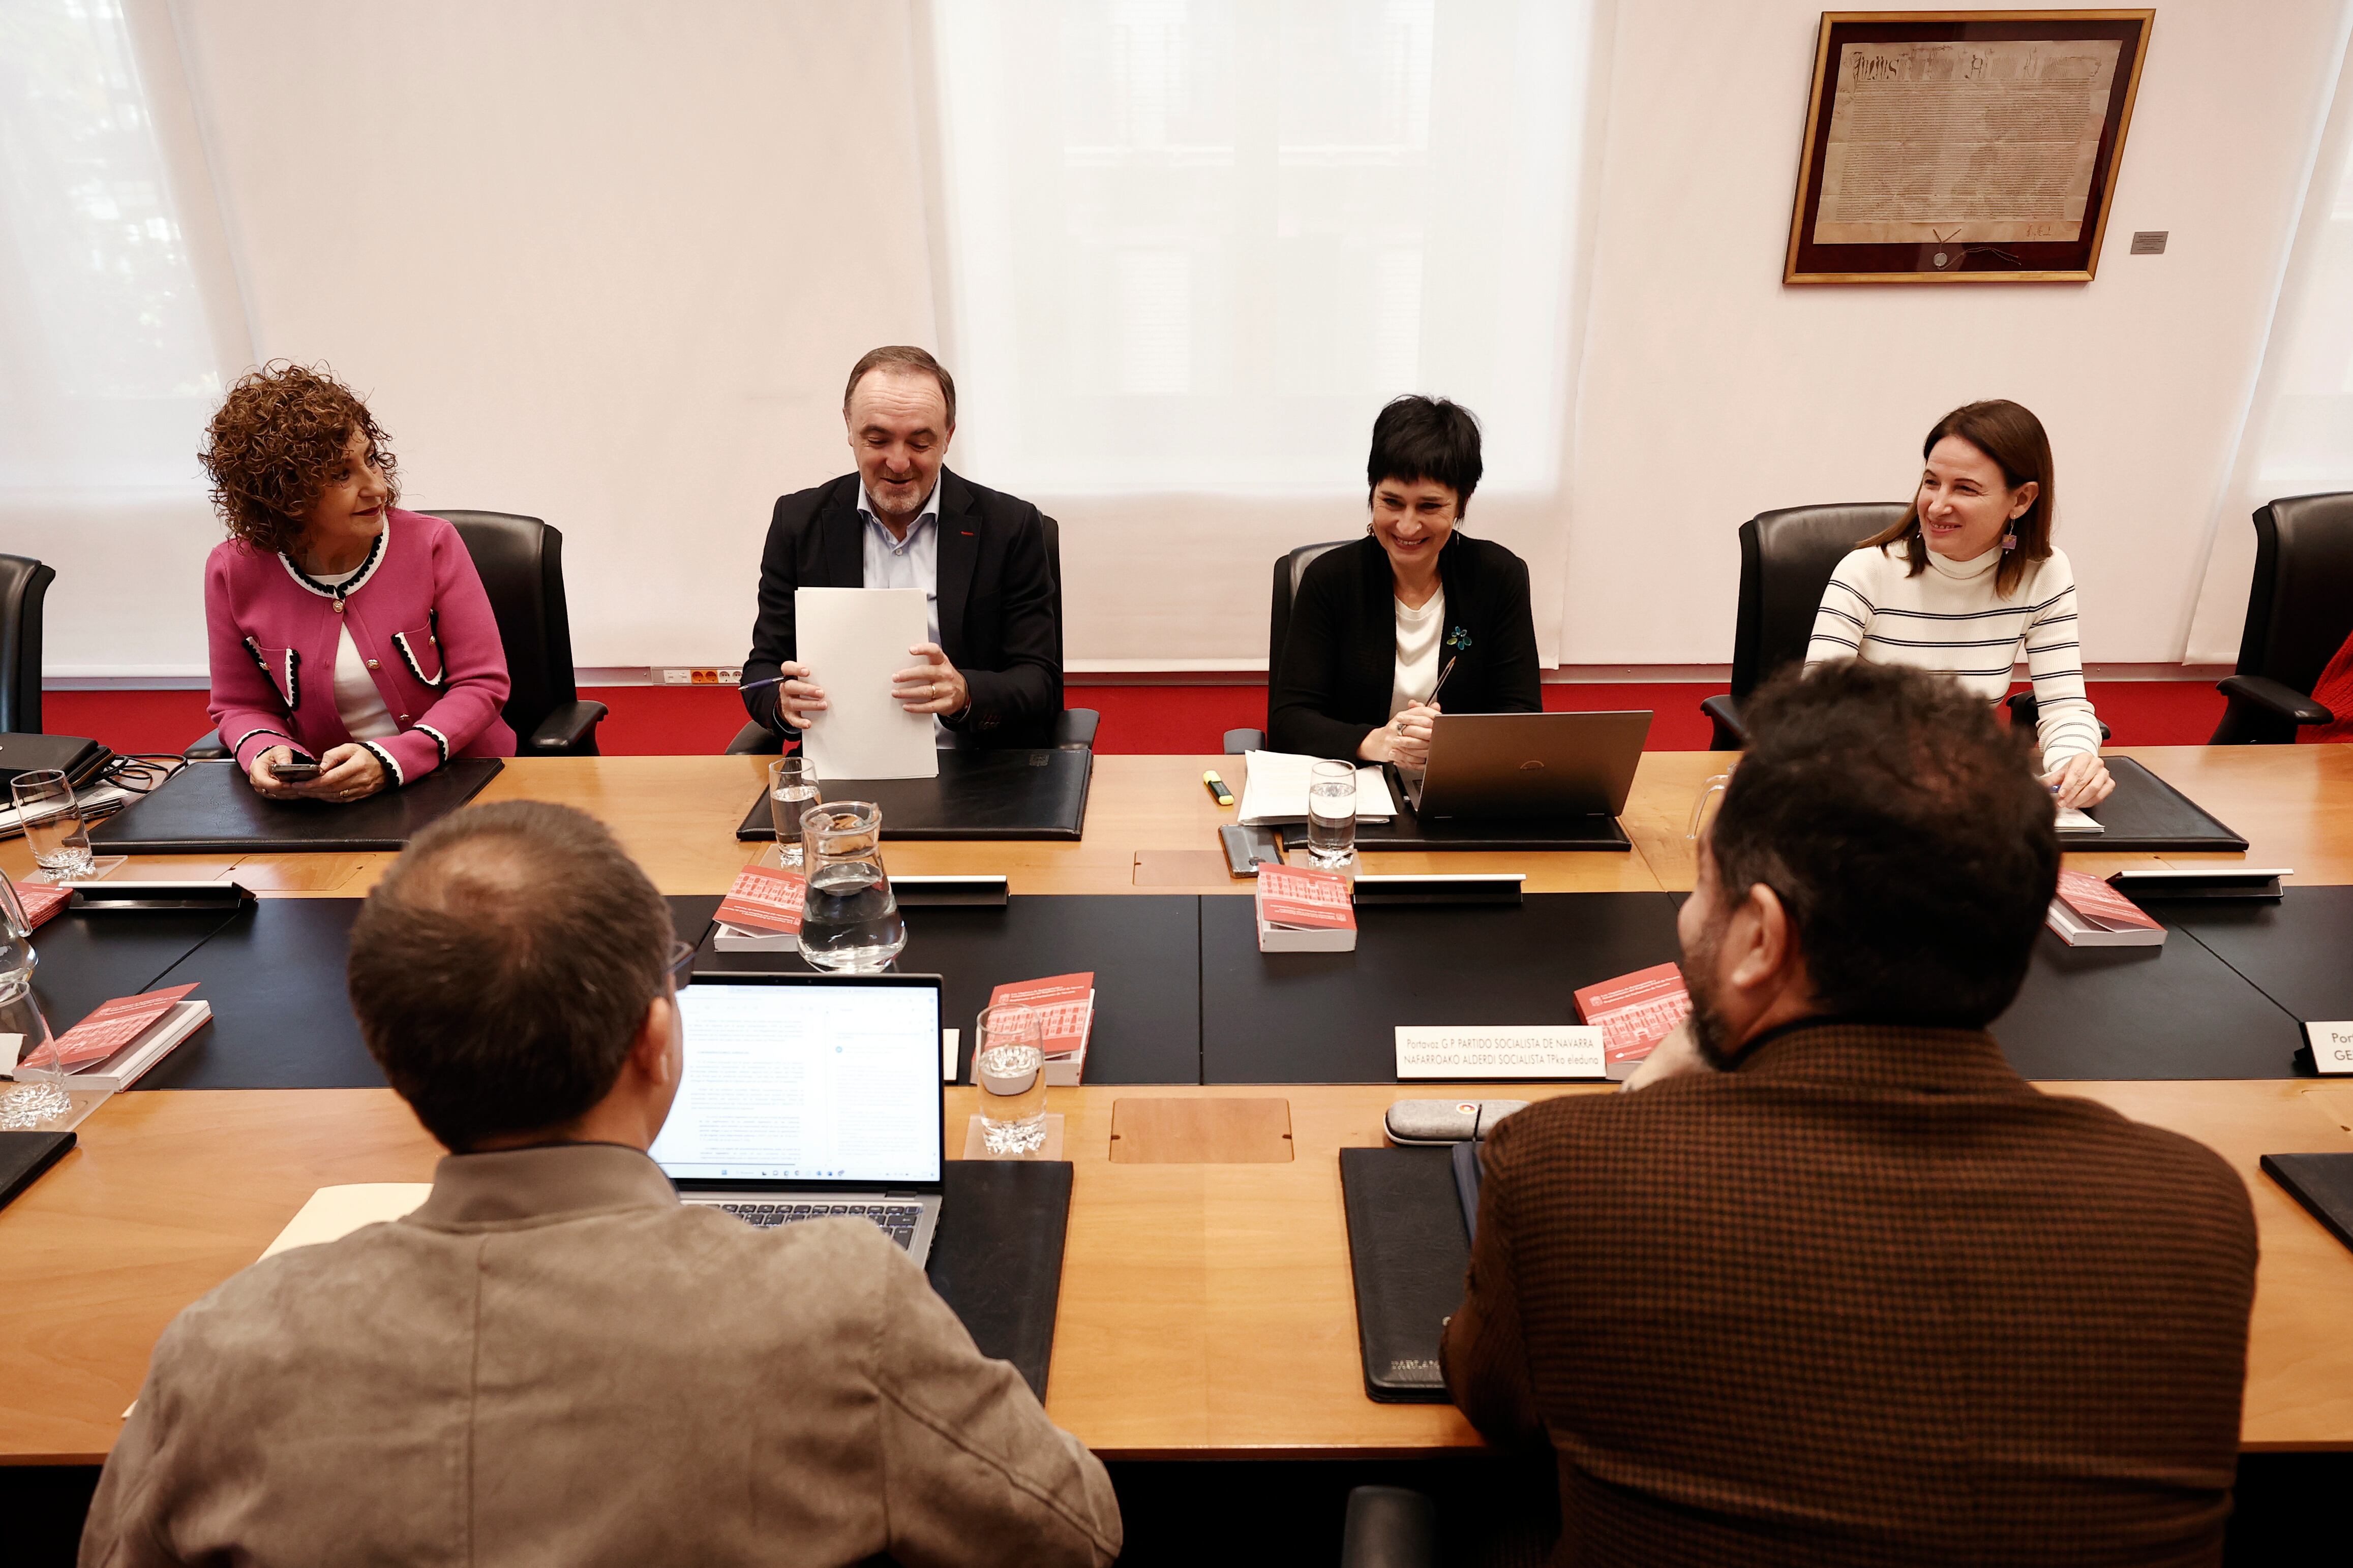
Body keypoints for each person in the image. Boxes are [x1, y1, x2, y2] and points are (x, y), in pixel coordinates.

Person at [78, 801, 1122, 1568]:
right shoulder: (842, 1309)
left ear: (391, 1060)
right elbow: (1074, 1529)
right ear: (656, 1042)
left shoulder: (216, 1357)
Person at [1442, 660, 2257, 1565]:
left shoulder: (1565, 1170)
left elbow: (1491, 1402)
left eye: (1699, 886)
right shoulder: (2195, 1207)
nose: (1683, 918)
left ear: (1758, 938)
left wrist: (1641, 1107)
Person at [198, 361, 513, 803]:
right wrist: (265, 749)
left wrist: (393, 760)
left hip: (466, 780)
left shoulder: (432, 543)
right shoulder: (233, 571)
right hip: (329, 804)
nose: (376, 487)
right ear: (284, 494)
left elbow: (483, 685)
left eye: (370, 461)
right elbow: (239, 705)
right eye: (342, 474)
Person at [742, 346, 1062, 748]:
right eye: (877, 439)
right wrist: (781, 701)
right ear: (849, 429)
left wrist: (965, 694)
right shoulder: (799, 523)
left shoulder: (1010, 527)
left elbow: (1040, 682)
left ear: (948, 436)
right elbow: (762, 669)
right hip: (845, 771)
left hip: (976, 768)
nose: (898, 462)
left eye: (920, 443)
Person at [1806, 398, 2115, 807]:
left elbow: (2063, 706)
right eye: (1931, 482)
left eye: (1965, 488)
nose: (1936, 505)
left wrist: (2075, 764)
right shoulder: (1866, 571)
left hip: (1964, 790)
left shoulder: (2046, 573)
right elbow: (1813, 709)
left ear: (2021, 500)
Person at [1268, 395, 1540, 764]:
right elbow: (1289, 720)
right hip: (1352, 788)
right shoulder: (1329, 580)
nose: (1408, 526)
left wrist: (1447, 741)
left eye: (1429, 506)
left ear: (1463, 502)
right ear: (1371, 490)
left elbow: (1522, 717)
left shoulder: (1497, 577)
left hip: (1457, 789)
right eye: (1392, 502)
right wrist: (1374, 742)